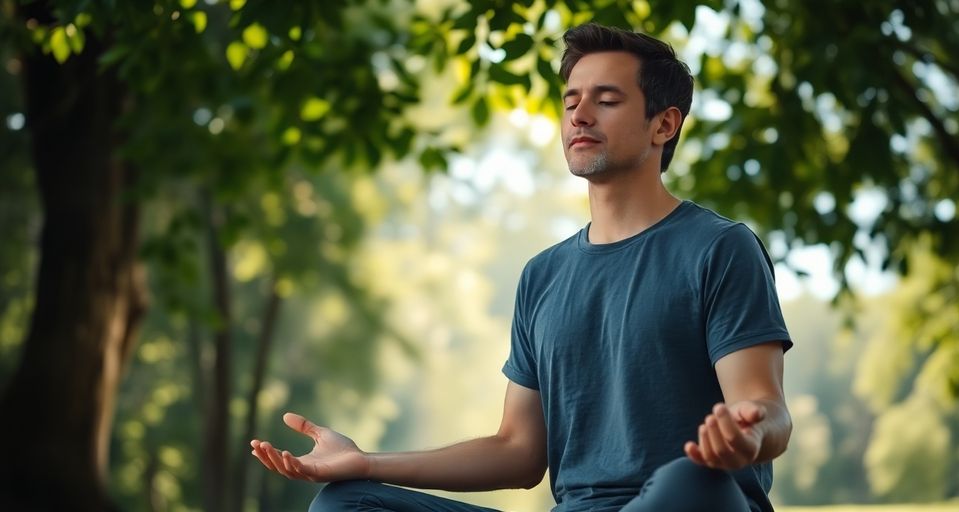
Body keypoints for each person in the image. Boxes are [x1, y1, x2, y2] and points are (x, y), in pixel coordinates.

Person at [251, 22, 793, 512]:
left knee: (693, 483)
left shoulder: (720, 249)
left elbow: (767, 409)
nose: (579, 115)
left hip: (686, 503)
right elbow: (518, 452)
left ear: (664, 125)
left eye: (606, 100)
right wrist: (366, 461)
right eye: (571, 101)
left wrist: (746, 435)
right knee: (344, 504)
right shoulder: (543, 276)